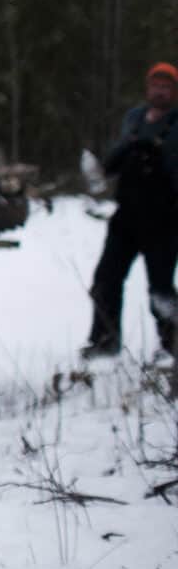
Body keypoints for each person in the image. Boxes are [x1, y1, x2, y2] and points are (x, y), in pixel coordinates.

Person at [86, 61, 178, 356]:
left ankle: (171, 345)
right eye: (156, 85)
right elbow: (115, 157)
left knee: (160, 289)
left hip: (164, 219)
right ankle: (104, 341)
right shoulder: (134, 119)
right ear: (147, 87)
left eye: (166, 87)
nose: (160, 92)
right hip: (126, 216)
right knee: (105, 280)